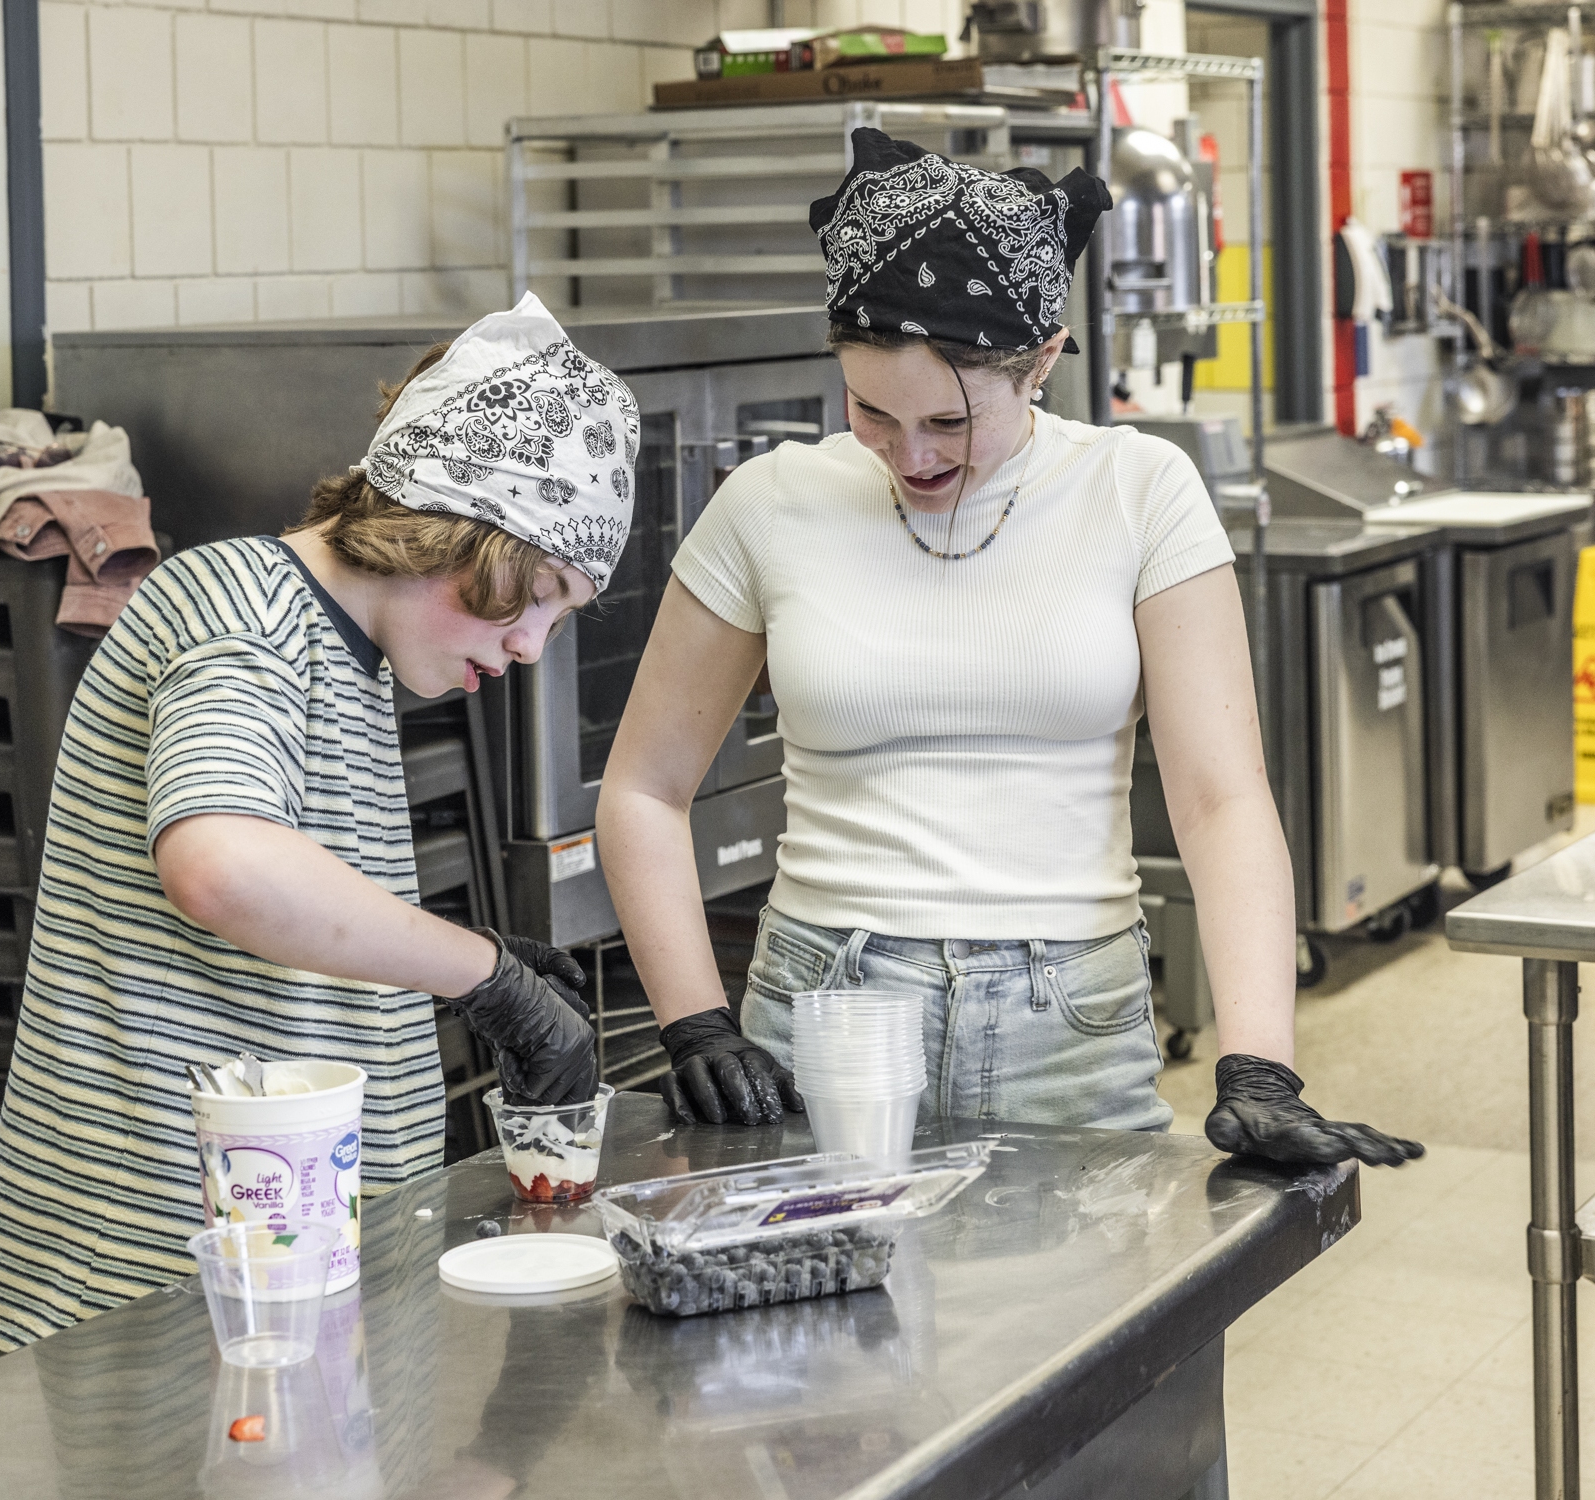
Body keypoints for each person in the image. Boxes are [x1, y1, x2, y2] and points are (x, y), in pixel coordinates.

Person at [595, 131, 1420, 1171]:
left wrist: (1257, 1061)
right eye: (869, 412)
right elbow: (643, 788)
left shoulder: (1138, 490)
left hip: (1066, 1019)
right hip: (825, 1013)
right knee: (817, 1325)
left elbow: (1220, 798)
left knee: (1088, 1323)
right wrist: (694, 1022)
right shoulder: (769, 503)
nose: (912, 456)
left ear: (1039, 361)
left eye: (948, 419)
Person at [0, 294, 639, 1350]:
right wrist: (482, 976)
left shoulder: (340, 653)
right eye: (535, 595)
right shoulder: (242, 609)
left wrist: (483, 962)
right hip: (151, 1295)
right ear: (452, 528)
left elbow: (307, 921)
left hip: (279, 1287)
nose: (529, 649)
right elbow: (222, 865)